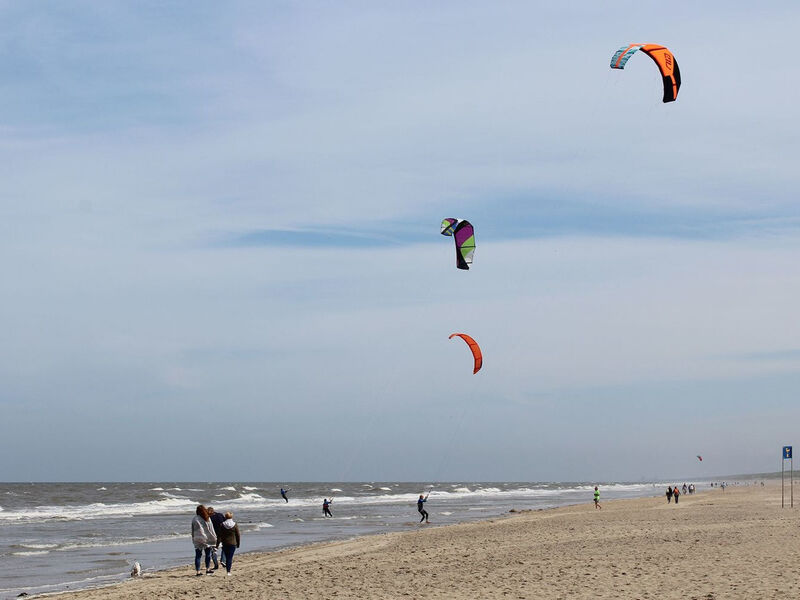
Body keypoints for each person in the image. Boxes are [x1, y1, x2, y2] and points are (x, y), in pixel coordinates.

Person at [191, 505, 217, 576]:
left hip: (198, 539)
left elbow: (193, 529)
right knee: (207, 554)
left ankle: (198, 571)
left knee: (198, 555)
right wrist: (214, 537)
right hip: (207, 538)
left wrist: (193, 537)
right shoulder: (207, 518)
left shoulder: (195, 519)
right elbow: (211, 529)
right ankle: (207, 569)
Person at [218, 511, 241, 576]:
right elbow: (238, 535)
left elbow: (219, 535)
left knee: (226, 556)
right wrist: (238, 543)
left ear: (225, 517)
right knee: (229, 558)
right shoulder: (234, 524)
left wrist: (217, 544)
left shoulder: (222, 524)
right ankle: (228, 571)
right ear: (232, 517)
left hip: (225, 543)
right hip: (233, 543)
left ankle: (227, 569)